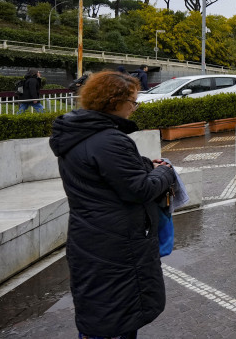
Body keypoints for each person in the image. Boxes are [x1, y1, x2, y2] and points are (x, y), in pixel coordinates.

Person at [50, 71, 177, 339]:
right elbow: (140, 189)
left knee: (102, 313)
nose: (135, 107)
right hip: (116, 246)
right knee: (115, 319)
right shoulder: (109, 140)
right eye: (133, 101)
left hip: (93, 238)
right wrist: (165, 172)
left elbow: (104, 175)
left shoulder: (79, 135)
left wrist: (143, 165)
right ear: (114, 102)